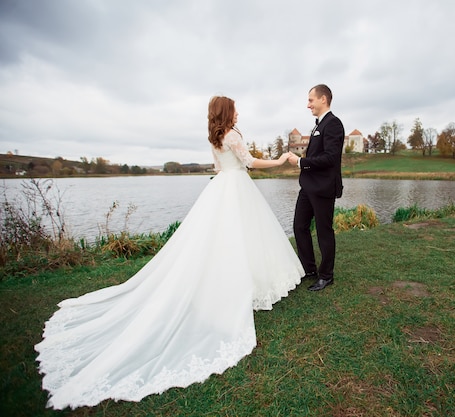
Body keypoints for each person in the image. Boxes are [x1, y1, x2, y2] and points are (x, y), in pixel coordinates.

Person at [34, 96, 304, 410]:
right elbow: (250, 164)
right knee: (239, 239)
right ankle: (239, 289)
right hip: (235, 189)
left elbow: (219, 168)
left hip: (221, 189)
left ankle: (242, 284)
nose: (239, 112)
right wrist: (282, 161)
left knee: (225, 243)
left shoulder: (215, 138)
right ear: (227, 113)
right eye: (235, 109)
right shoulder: (231, 135)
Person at [288, 84, 345, 291]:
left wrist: (301, 162)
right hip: (308, 186)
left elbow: (330, 158)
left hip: (323, 188)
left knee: (323, 231)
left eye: (311, 100)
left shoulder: (333, 124)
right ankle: (308, 268)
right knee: (299, 226)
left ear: (323, 99)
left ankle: (326, 275)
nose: (308, 104)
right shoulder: (318, 125)